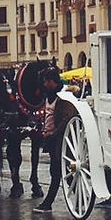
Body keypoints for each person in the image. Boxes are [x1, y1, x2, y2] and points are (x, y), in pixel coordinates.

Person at [33, 66, 66, 212]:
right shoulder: (48, 97)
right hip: (50, 139)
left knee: (56, 171)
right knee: (56, 171)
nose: (44, 84)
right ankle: (48, 203)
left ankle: (48, 203)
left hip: (57, 140)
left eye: (46, 81)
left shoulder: (63, 98)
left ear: (52, 82)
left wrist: (54, 134)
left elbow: (66, 119)